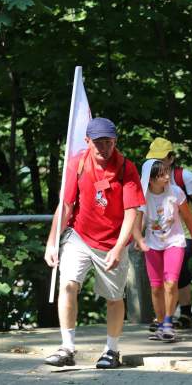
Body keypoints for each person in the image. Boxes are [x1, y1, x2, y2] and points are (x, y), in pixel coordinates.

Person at [43, 117, 145, 368]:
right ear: (87, 141)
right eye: (98, 142)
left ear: (115, 141)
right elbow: (66, 206)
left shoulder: (126, 167)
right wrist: (52, 241)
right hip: (79, 235)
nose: (103, 148)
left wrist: (120, 247)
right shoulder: (77, 163)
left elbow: (131, 211)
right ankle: (67, 347)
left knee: (114, 297)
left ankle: (112, 351)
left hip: (112, 240)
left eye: (108, 142)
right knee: (67, 285)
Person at [133, 160, 192, 342]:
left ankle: (168, 323)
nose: (166, 177)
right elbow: (136, 222)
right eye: (161, 175)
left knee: (171, 283)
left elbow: (188, 218)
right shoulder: (143, 196)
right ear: (150, 179)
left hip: (175, 242)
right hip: (152, 244)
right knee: (156, 288)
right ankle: (161, 320)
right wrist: (139, 239)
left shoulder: (176, 192)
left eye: (167, 173)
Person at [144, 138, 192, 330]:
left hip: (185, 231)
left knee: (174, 275)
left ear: (171, 158)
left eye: (161, 159)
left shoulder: (185, 179)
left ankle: (178, 313)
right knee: (164, 279)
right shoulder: (146, 188)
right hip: (159, 234)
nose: (158, 163)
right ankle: (167, 315)